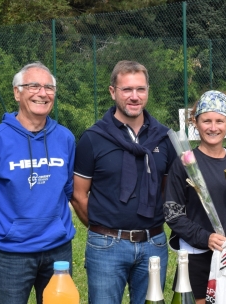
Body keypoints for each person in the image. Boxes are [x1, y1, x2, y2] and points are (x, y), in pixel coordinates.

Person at [0, 62, 75, 304]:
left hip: (58, 250)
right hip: (12, 254)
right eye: (33, 86)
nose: (42, 93)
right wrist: (3, 230)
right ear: (17, 92)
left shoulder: (65, 138)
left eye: (49, 87)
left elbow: (67, 190)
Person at [70, 60, 176, 304]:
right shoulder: (93, 138)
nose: (134, 96)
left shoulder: (165, 138)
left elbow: (166, 190)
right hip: (106, 246)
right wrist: (105, 229)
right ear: (112, 92)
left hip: (154, 244)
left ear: (148, 91)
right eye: (127, 89)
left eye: (141, 89)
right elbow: (78, 194)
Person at [164, 90, 226, 304]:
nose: (213, 127)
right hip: (197, 255)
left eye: (219, 121)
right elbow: (173, 214)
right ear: (195, 123)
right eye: (206, 120)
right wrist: (204, 238)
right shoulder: (184, 163)